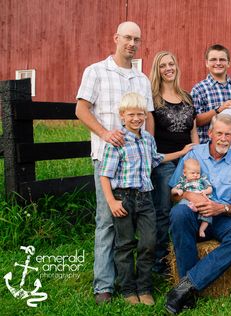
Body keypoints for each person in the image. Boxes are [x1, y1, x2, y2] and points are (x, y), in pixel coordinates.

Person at [75, 21, 154, 304]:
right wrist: (106, 133)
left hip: (137, 166)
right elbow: (81, 109)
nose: (132, 44)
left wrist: (149, 148)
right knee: (107, 220)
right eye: (127, 38)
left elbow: (150, 117)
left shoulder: (141, 79)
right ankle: (104, 286)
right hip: (107, 160)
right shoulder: (96, 71)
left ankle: (134, 283)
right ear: (116, 38)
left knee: (136, 226)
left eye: (137, 39)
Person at [99, 92, 192, 305]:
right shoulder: (118, 141)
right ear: (122, 116)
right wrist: (112, 202)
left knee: (149, 242)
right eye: (131, 114)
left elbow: (157, 159)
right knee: (124, 244)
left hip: (145, 198)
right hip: (123, 197)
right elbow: (104, 174)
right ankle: (128, 289)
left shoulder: (148, 139)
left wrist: (182, 152)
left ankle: (144, 287)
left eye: (140, 114)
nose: (136, 119)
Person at [164, 114, 231, 315]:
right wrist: (190, 195)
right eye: (219, 133)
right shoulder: (194, 154)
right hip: (191, 214)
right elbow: (174, 194)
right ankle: (187, 290)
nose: (223, 138)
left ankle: (186, 286)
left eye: (228, 134)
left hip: (221, 217)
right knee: (178, 213)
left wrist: (220, 209)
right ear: (210, 133)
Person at [148, 51, 199, 276]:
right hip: (164, 163)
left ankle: (183, 257)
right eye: (163, 65)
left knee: (189, 206)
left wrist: (194, 156)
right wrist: (179, 152)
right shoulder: (153, 99)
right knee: (164, 211)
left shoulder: (187, 96)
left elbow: (193, 131)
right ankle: (160, 263)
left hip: (187, 162)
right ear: (157, 70)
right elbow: (150, 142)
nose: (168, 68)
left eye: (171, 64)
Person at [191, 44, 231, 144]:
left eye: (222, 59)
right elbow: (195, 122)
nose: (218, 63)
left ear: (228, 63)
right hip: (208, 148)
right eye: (213, 60)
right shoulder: (199, 89)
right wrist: (218, 110)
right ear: (206, 63)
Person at [171, 158, 213, 238]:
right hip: (189, 202)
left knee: (208, 214)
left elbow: (210, 188)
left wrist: (205, 191)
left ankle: (202, 229)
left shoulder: (202, 179)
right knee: (182, 204)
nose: (196, 175)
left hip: (201, 200)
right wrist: (177, 191)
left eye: (198, 173)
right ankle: (192, 208)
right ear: (185, 173)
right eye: (192, 173)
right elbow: (172, 190)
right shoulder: (183, 181)